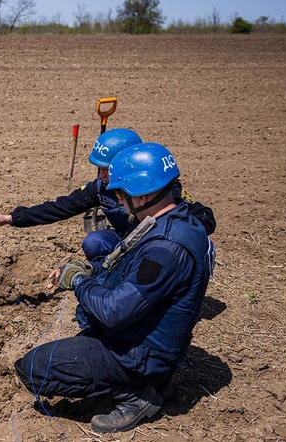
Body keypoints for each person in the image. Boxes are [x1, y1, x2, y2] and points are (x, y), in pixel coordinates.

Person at [14, 142, 216, 433]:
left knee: (34, 369)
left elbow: (115, 312)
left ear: (144, 194)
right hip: (145, 337)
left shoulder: (165, 249)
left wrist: (79, 282)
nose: (118, 201)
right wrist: (92, 269)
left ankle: (138, 393)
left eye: (121, 194)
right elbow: (125, 267)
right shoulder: (170, 221)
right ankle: (145, 377)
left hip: (141, 354)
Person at [0, 128, 215, 261]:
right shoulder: (100, 189)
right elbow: (60, 207)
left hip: (162, 250)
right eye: (99, 168)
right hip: (130, 245)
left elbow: (206, 219)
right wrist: (9, 218)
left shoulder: (162, 190)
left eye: (107, 169)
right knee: (94, 241)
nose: (102, 175)